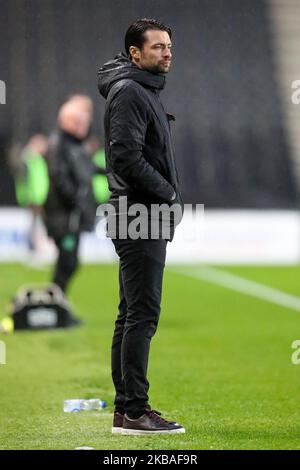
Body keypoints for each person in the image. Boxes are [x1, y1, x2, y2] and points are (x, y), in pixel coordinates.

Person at [98, 18, 185, 435]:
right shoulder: (131, 91)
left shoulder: (140, 88)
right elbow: (126, 158)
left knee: (130, 313)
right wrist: (168, 194)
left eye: (169, 46)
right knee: (142, 315)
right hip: (139, 212)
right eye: (158, 47)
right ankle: (135, 410)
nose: (167, 52)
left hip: (138, 212)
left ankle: (125, 410)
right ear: (135, 53)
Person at [44, 96, 96, 294]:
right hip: (64, 215)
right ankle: (53, 303)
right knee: (68, 261)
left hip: (70, 214)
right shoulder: (59, 143)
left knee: (68, 261)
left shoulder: (75, 144)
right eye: (81, 121)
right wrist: (75, 199)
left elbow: (86, 169)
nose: (85, 125)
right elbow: (58, 176)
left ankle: (56, 304)